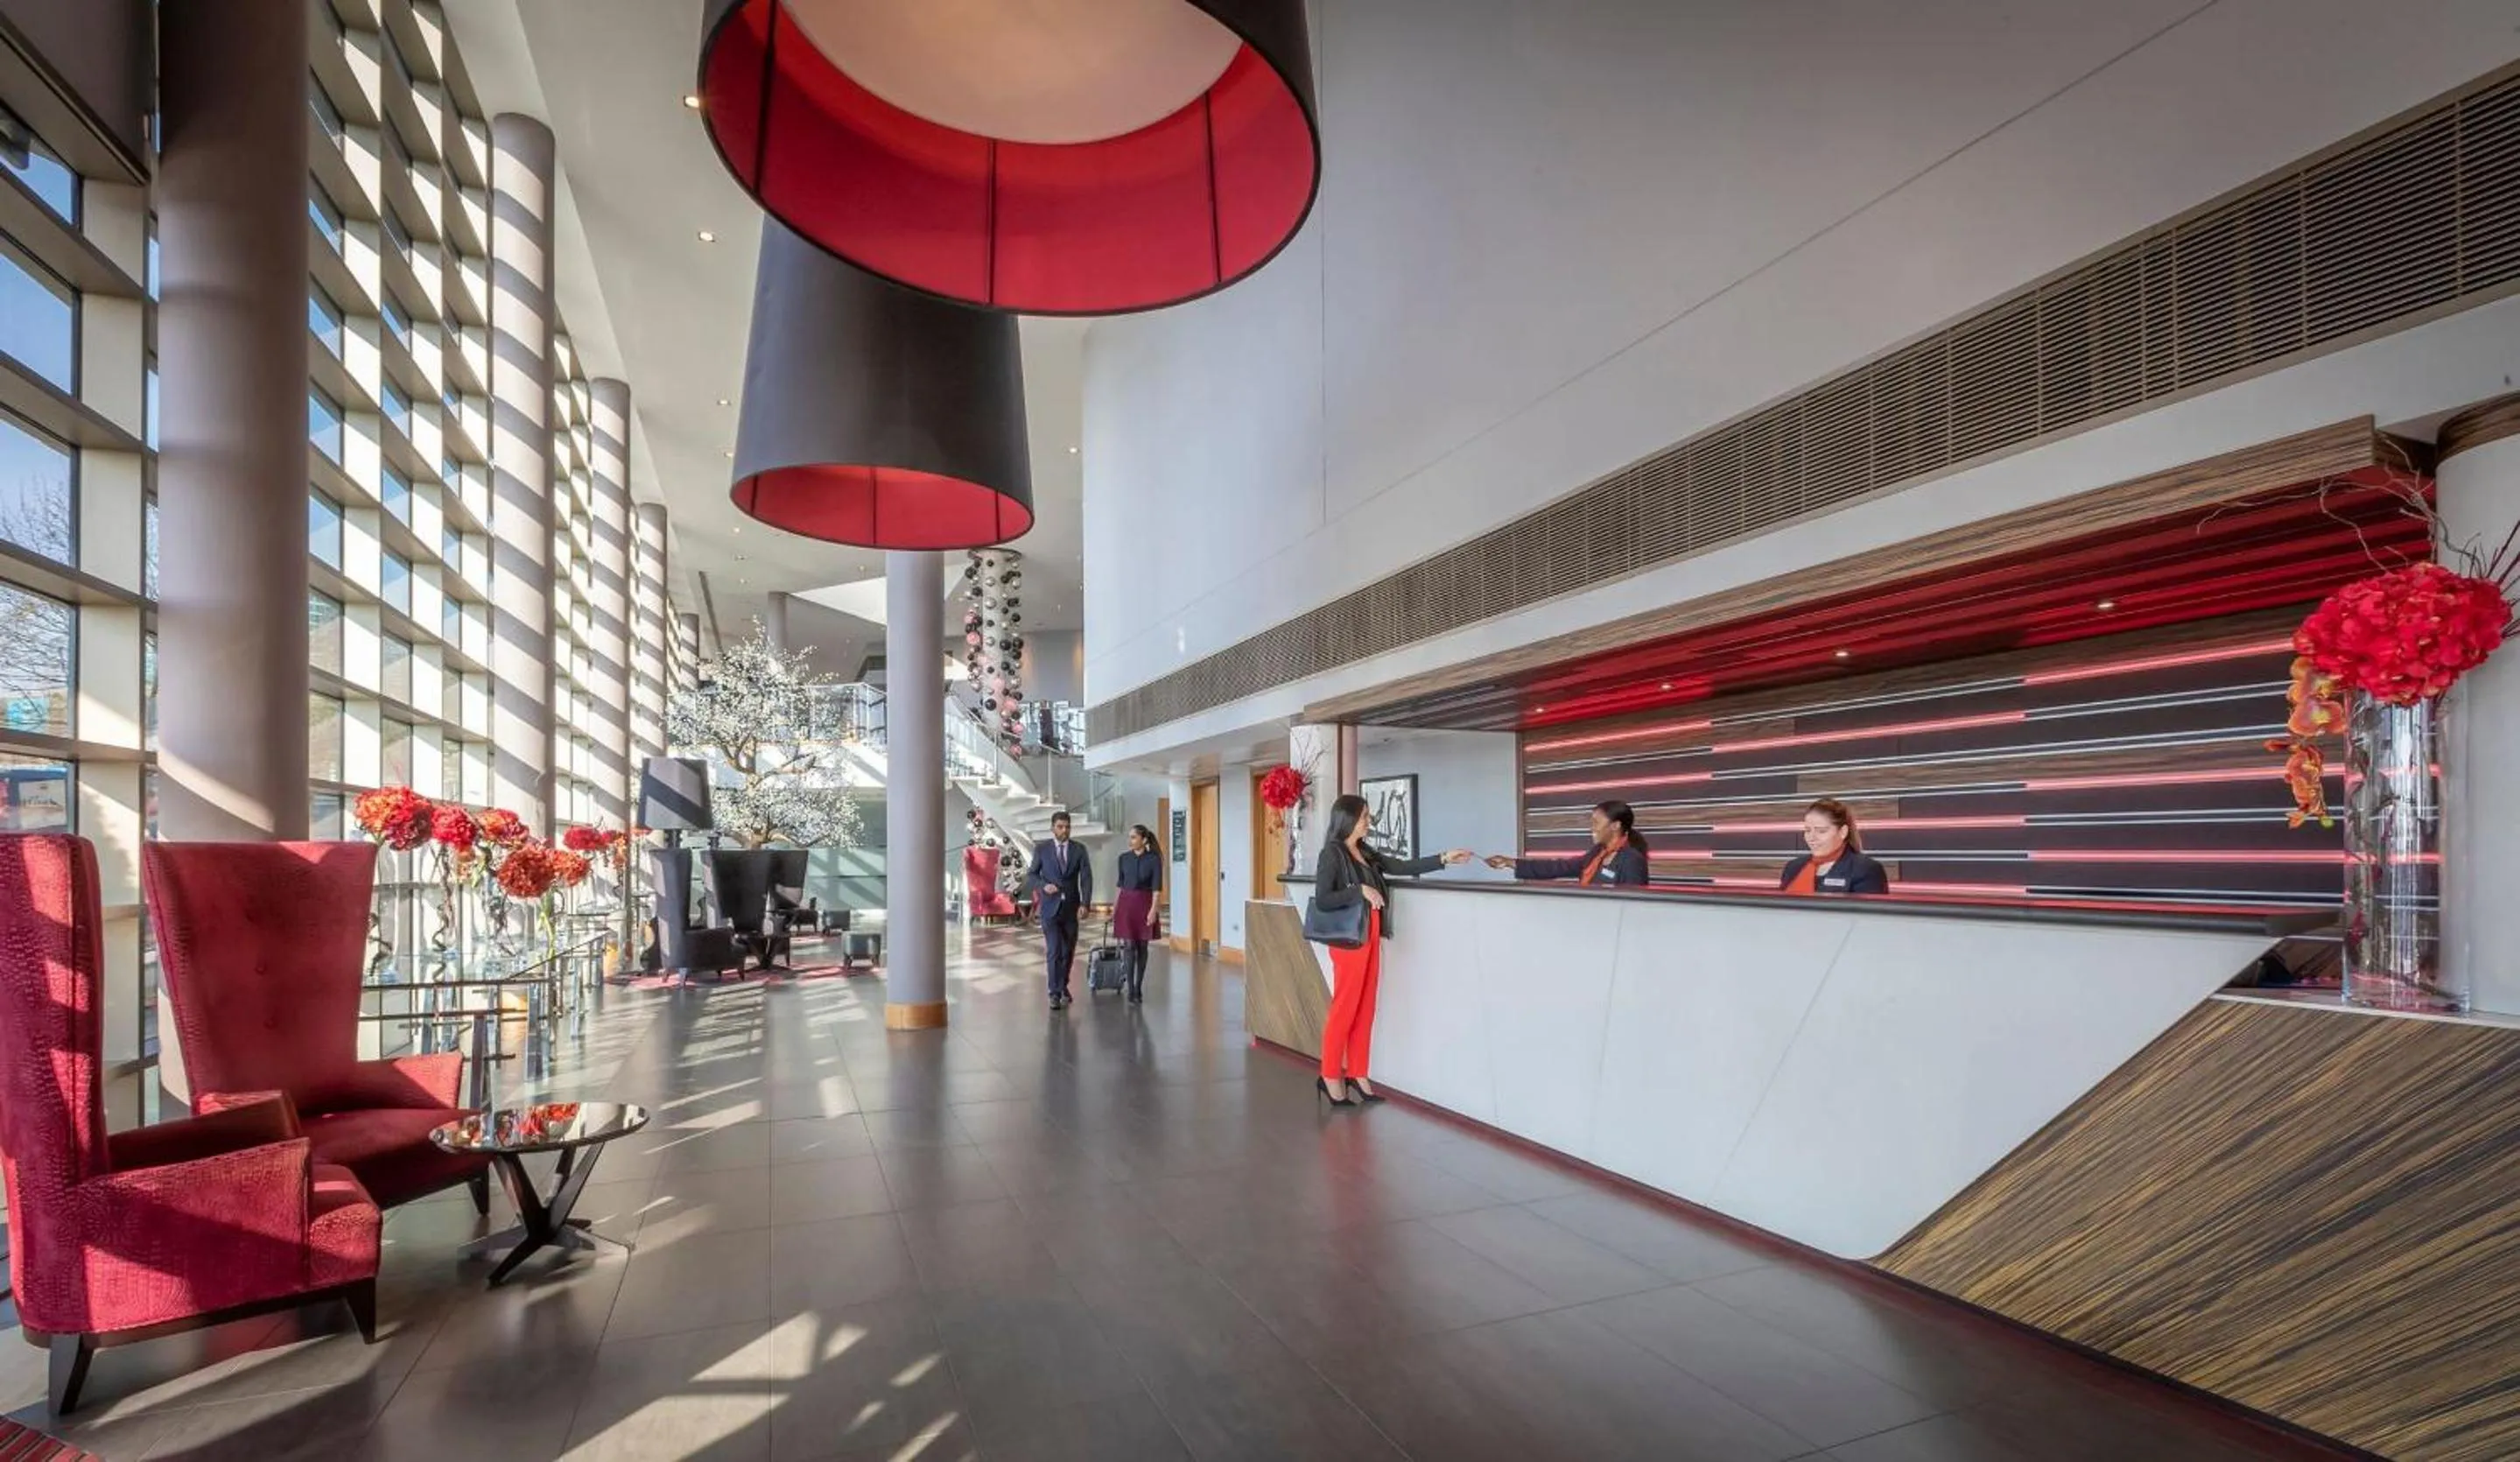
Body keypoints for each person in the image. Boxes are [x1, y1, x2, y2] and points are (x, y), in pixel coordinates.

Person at [1309, 794, 1474, 1107]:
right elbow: (1323, 899)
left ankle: (1358, 1073)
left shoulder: (1365, 851)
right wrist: (1359, 889)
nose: (1368, 822)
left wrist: (1443, 858)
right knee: (1345, 1008)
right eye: (1364, 817)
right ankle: (1330, 1074)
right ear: (1347, 820)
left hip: (1371, 930)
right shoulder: (1331, 854)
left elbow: (1400, 865)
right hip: (1349, 939)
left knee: (1366, 1007)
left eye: (1368, 817)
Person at [1486, 800, 1650, 886]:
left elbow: (1634, 907)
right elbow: (1557, 867)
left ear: (1616, 826)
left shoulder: (1632, 860)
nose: (1592, 828)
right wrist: (1510, 863)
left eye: (1596, 822)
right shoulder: (1596, 854)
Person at [1028, 812, 1094, 1009]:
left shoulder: (1079, 849)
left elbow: (1086, 878)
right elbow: (1031, 874)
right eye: (1060, 827)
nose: (1064, 830)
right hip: (1049, 908)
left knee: (1068, 951)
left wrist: (1086, 903)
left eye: (1067, 827)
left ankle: (1062, 985)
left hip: (1072, 908)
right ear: (1052, 828)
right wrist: (1043, 885)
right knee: (1054, 950)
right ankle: (1054, 993)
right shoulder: (1042, 849)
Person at [1779, 797, 1890, 895]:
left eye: (1821, 831)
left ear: (1843, 832)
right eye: (1807, 830)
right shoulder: (1793, 867)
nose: (1811, 838)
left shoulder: (1866, 869)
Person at [1112, 824, 1165, 1004]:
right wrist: (1114, 908)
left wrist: (1153, 910)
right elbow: (1120, 885)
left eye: (1134, 837)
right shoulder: (1123, 858)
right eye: (1130, 837)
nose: (1130, 841)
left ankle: (1139, 987)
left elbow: (1157, 889)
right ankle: (1131, 988)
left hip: (1145, 904)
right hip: (1126, 905)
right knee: (1129, 946)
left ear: (1143, 839)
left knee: (1142, 947)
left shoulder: (1154, 859)